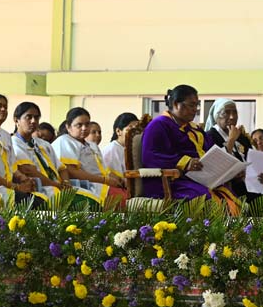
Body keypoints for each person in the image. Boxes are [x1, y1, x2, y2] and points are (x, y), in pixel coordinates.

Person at [141, 85, 238, 213]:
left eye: (196, 105)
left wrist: (229, 168)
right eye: (191, 105)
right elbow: (150, 156)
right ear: (176, 104)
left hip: (198, 179)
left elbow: (212, 152)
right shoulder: (158, 125)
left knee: (229, 196)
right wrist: (186, 162)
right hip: (170, 182)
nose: (195, 109)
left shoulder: (194, 128)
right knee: (205, 198)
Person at [11, 101, 91, 201]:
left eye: (36, 118)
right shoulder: (14, 143)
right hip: (41, 189)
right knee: (84, 203)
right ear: (16, 120)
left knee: (93, 199)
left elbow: (62, 168)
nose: (33, 121)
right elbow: (29, 171)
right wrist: (56, 185)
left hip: (58, 187)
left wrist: (66, 183)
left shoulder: (43, 144)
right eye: (28, 117)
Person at [52, 107, 125, 203]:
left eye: (87, 124)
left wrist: (117, 179)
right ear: (68, 127)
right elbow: (71, 171)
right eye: (79, 125)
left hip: (102, 184)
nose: (84, 128)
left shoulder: (92, 145)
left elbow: (103, 170)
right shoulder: (65, 141)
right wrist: (105, 180)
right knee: (124, 200)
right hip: (85, 186)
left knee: (130, 195)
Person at [204, 98, 252, 198]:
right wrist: (231, 140)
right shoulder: (209, 137)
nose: (232, 117)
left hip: (248, 186)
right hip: (225, 190)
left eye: (235, 112)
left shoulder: (242, 137)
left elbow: (252, 162)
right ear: (216, 116)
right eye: (226, 113)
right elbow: (215, 167)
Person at [101, 112, 139, 179]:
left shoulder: (134, 149)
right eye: (130, 129)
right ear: (118, 131)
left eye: (137, 129)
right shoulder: (110, 150)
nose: (135, 133)